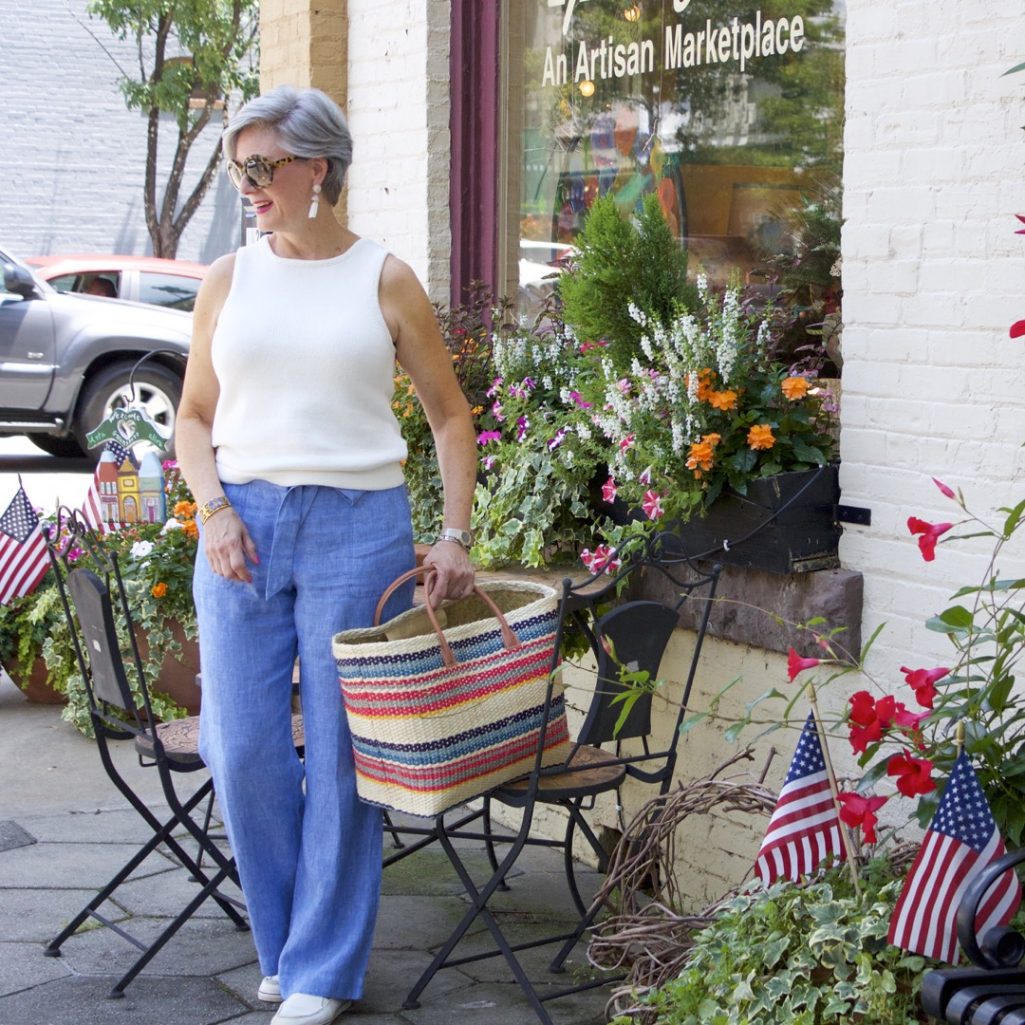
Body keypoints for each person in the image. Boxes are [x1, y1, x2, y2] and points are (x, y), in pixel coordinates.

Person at [175, 85, 477, 1025]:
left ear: (319, 166)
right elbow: (191, 417)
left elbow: (448, 414)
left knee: (346, 751)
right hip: (243, 528)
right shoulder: (228, 277)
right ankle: (284, 945)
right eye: (240, 170)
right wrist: (213, 507)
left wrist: (455, 531)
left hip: (359, 524)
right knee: (244, 744)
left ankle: (322, 969)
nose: (249, 186)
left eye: (263, 168)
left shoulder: (383, 279)